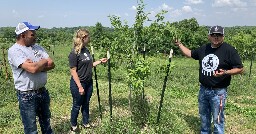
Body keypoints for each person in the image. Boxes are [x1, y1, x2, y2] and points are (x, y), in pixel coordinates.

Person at [174, 25, 243, 134]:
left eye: (219, 35)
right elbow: (190, 53)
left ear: (223, 37)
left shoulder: (229, 50)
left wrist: (225, 72)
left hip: (219, 92)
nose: (216, 37)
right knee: (204, 115)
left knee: (218, 118)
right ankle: (205, 132)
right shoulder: (204, 48)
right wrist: (179, 45)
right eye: (213, 35)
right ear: (209, 36)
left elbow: (240, 69)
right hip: (203, 89)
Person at [8, 22, 55, 134]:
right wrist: (43, 61)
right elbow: (33, 69)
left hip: (42, 92)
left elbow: (52, 64)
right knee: (31, 128)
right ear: (23, 35)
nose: (35, 36)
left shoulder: (37, 47)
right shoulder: (15, 51)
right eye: (32, 34)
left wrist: (36, 65)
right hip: (27, 95)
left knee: (46, 123)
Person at [68, 29, 107, 132]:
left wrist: (99, 61)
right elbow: (73, 71)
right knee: (77, 105)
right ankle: (73, 125)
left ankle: (85, 122)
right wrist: (80, 86)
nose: (89, 39)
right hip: (78, 83)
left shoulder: (86, 50)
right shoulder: (74, 53)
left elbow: (90, 65)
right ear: (83, 38)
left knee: (86, 103)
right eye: (88, 37)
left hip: (89, 82)